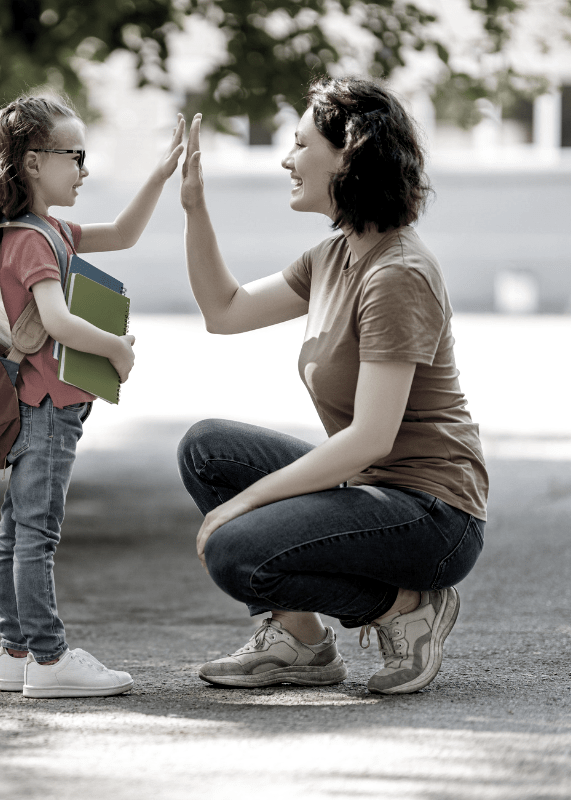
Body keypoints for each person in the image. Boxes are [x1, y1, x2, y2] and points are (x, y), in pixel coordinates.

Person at [176, 77, 488, 695]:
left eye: (299, 143)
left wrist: (244, 504)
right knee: (208, 449)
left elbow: (370, 438)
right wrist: (194, 206)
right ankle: (301, 641)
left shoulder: (397, 274)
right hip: (376, 491)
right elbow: (226, 310)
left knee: (236, 550)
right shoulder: (333, 256)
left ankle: (406, 606)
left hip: (432, 514)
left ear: (349, 153)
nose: (286, 159)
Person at [0, 94, 184, 698]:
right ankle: (49, 658)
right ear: (34, 162)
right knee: (37, 534)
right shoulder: (33, 240)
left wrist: (160, 174)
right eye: (75, 156)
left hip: (34, 407)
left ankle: (16, 653)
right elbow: (57, 321)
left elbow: (124, 233)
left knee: (16, 531)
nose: (84, 171)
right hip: (46, 409)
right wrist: (116, 349)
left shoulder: (46, 230)